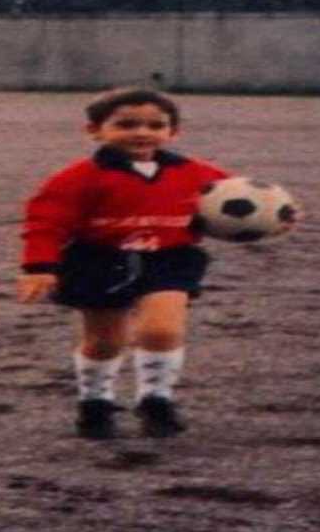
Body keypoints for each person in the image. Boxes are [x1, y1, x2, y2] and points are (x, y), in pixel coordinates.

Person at [17, 86, 229, 440]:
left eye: (155, 125)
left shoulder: (196, 172)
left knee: (162, 329)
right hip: (99, 260)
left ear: (172, 132)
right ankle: (95, 403)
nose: (142, 132)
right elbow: (45, 222)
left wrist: (278, 215)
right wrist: (39, 266)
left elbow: (238, 197)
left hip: (169, 257)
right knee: (104, 340)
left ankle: (156, 400)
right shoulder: (77, 177)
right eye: (126, 124)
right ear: (95, 131)